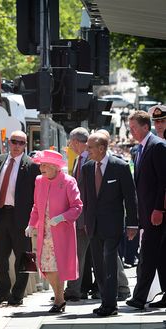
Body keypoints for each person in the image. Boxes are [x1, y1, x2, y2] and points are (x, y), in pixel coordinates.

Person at [82, 132, 138, 316]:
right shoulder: (87, 168)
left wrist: (132, 224)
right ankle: (105, 300)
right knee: (98, 265)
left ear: (101, 148)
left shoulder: (120, 167)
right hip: (93, 225)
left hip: (113, 225)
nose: (87, 150)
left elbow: (130, 198)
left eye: (90, 147)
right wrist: (85, 222)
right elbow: (87, 199)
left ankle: (111, 304)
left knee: (109, 261)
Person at [0, 130, 40, 306]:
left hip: (22, 219)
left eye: (21, 143)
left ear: (25, 145)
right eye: (14, 142)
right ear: (9, 142)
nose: (17, 146)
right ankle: (1, 293)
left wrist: (34, 220)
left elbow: (35, 195)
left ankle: (17, 296)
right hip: (1, 214)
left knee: (23, 259)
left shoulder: (31, 165)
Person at [26, 150, 82, 313]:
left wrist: (62, 218)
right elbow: (36, 206)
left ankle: (59, 300)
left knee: (59, 266)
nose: (41, 168)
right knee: (47, 266)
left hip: (61, 232)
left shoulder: (68, 181)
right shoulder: (39, 181)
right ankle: (60, 297)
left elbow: (77, 207)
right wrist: (31, 224)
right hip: (44, 231)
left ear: (55, 167)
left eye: (45, 165)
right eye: (41, 165)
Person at [126, 110, 166, 310]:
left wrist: (159, 208)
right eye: (130, 127)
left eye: (134, 127)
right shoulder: (138, 150)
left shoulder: (158, 146)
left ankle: (139, 298)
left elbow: (163, 182)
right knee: (159, 255)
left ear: (145, 126)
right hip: (146, 212)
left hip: (157, 213)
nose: (131, 131)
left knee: (148, 255)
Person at [63, 127, 90, 302]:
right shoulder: (78, 160)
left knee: (79, 254)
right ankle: (122, 286)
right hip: (79, 216)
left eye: (70, 142)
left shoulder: (90, 161)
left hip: (87, 217)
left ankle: (73, 290)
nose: (69, 145)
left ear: (75, 142)